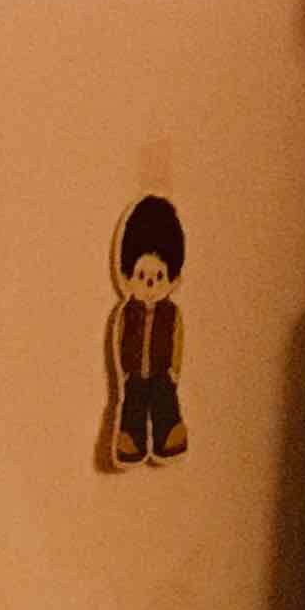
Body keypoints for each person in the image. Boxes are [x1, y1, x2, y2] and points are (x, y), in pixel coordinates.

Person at [104, 193, 189, 468]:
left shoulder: (171, 314)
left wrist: (174, 371)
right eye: (142, 276)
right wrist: (124, 370)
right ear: (127, 275)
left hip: (162, 373)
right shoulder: (128, 312)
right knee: (133, 404)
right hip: (133, 375)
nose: (150, 285)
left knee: (165, 402)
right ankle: (131, 439)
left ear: (173, 278)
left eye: (158, 277)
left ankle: (169, 434)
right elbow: (120, 337)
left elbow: (177, 340)